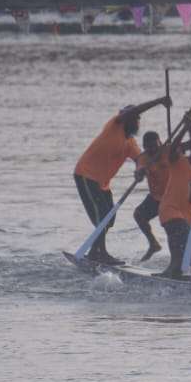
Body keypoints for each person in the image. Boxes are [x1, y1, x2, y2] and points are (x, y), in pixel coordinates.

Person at [73, 96, 170, 265]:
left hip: (102, 184)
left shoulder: (130, 142)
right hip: (86, 175)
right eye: (133, 118)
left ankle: (96, 251)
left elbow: (140, 159)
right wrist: (159, 101)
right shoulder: (114, 126)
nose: (136, 122)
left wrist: (140, 171)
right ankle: (99, 253)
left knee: (109, 219)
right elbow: (134, 111)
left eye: (137, 120)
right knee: (101, 217)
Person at [157, 123, 191, 279]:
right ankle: (172, 272)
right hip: (170, 210)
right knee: (187, 243)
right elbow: (172, 148)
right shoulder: (179, 160)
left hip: (184, 216)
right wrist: (187, 128)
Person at [133, 130, 170, 261]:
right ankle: (153, 244)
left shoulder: (169, 150)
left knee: (171, 227)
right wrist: (140, 173)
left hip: (173, 198)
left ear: (160, 143)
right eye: (149, 147)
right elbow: (138, 175)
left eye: (155, 146)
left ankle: (177, 260)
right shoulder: (143, 158)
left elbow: (186, 146)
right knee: (139, 215)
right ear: (144, 147)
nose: (153, 149)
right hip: (156, 197)